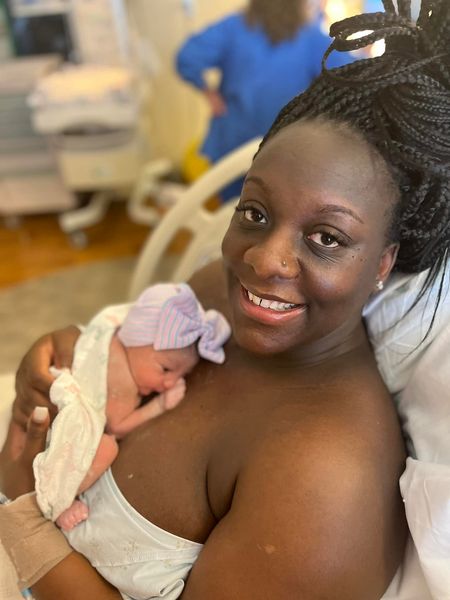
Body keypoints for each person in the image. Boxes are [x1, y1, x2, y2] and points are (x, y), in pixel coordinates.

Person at [1, 1, 449, 598]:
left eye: (326, 238)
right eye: (255, 212)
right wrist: (66, 357)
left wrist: (23, 518)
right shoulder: (214, 292)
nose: (264, 259)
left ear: (383, 265)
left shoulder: (324, 478)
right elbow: (124, 360)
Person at [34, 282, 231, 531]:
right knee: (107, 447)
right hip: (59, 427)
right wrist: (159, 406)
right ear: (135, 339)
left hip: (48, 404)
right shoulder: (124, 379)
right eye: (165, 369)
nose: (170, 383)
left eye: (180, 375)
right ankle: (59, 501)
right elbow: (117, 426)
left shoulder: (116, 336)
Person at [176, 0, 354, 200]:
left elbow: (187, 56)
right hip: (285, 145)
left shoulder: (234, 26)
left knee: (232, 208)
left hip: (231, 141)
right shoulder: (310, 36)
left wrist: (209, 93)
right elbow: (352, 74)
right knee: (275, 205)